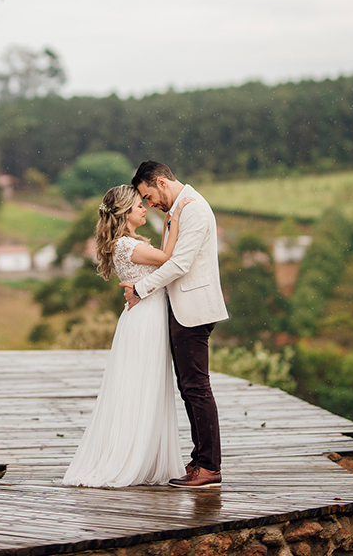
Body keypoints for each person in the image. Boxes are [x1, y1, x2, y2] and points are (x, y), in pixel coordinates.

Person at [62, 184, 191, 488]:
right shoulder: (125, 245)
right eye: (138, 206)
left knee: (145, 386)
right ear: (123, 213)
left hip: (145, 317)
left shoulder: (127, 243)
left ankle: (143, 455)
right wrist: (173, 219)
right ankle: (131, 458)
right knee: (141, 386)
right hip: (145, 320)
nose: (144, 208)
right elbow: (168, 257)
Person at [120, 161, 228, 489]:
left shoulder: (192, 209)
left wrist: (140, 288)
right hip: (182, 308)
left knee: (196, 387)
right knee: (189, 387)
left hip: (193, 310)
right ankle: (200, 461)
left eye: (149, 195)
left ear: (162, 183)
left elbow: (180, 263)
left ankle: (208, 466)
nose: (150, 203)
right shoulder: (179, 209)